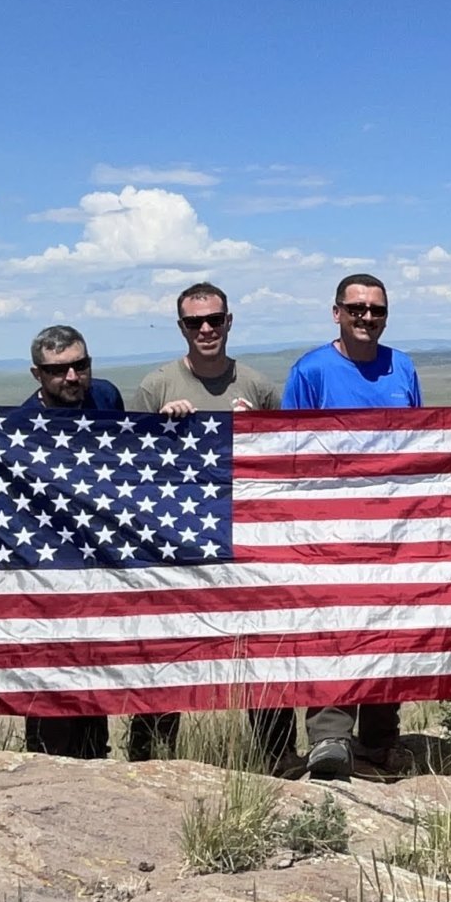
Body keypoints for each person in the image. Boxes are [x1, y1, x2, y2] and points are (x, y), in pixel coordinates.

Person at [125, 283, 289, 767]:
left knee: (260, 644)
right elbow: (128, 468)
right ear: (181, 327)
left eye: (214, 319)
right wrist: (164, 427)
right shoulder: (157, 387)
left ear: (229, 321)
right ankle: (152, 754)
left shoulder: (257, 387)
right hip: (177, 542)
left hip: (247, 538)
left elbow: (283, 464)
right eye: (195, 322)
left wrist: (255, 426)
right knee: (169, 644)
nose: (206, 329)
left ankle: (277, 755)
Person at [283, 274, 425, 777]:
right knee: (332, 632)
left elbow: (417, 443)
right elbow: (288, 453)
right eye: (357, 309)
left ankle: (379, 740)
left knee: (387, 631)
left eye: (377, 310)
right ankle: (330, 737)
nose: (367, 318)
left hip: (390, 528)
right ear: (336, 312)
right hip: (329, 527)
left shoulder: (402, 366)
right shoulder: (311, 371)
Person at [11, 325, 122, 760]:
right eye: (59, 370)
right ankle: (45, 761)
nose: (73, 377)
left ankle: (96, 757)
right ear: (37, 374)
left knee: (94, 662)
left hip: (99, 559)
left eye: (80, 365)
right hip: (45, 565)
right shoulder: (17, 428)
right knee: (50, 665)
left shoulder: (107, 397)